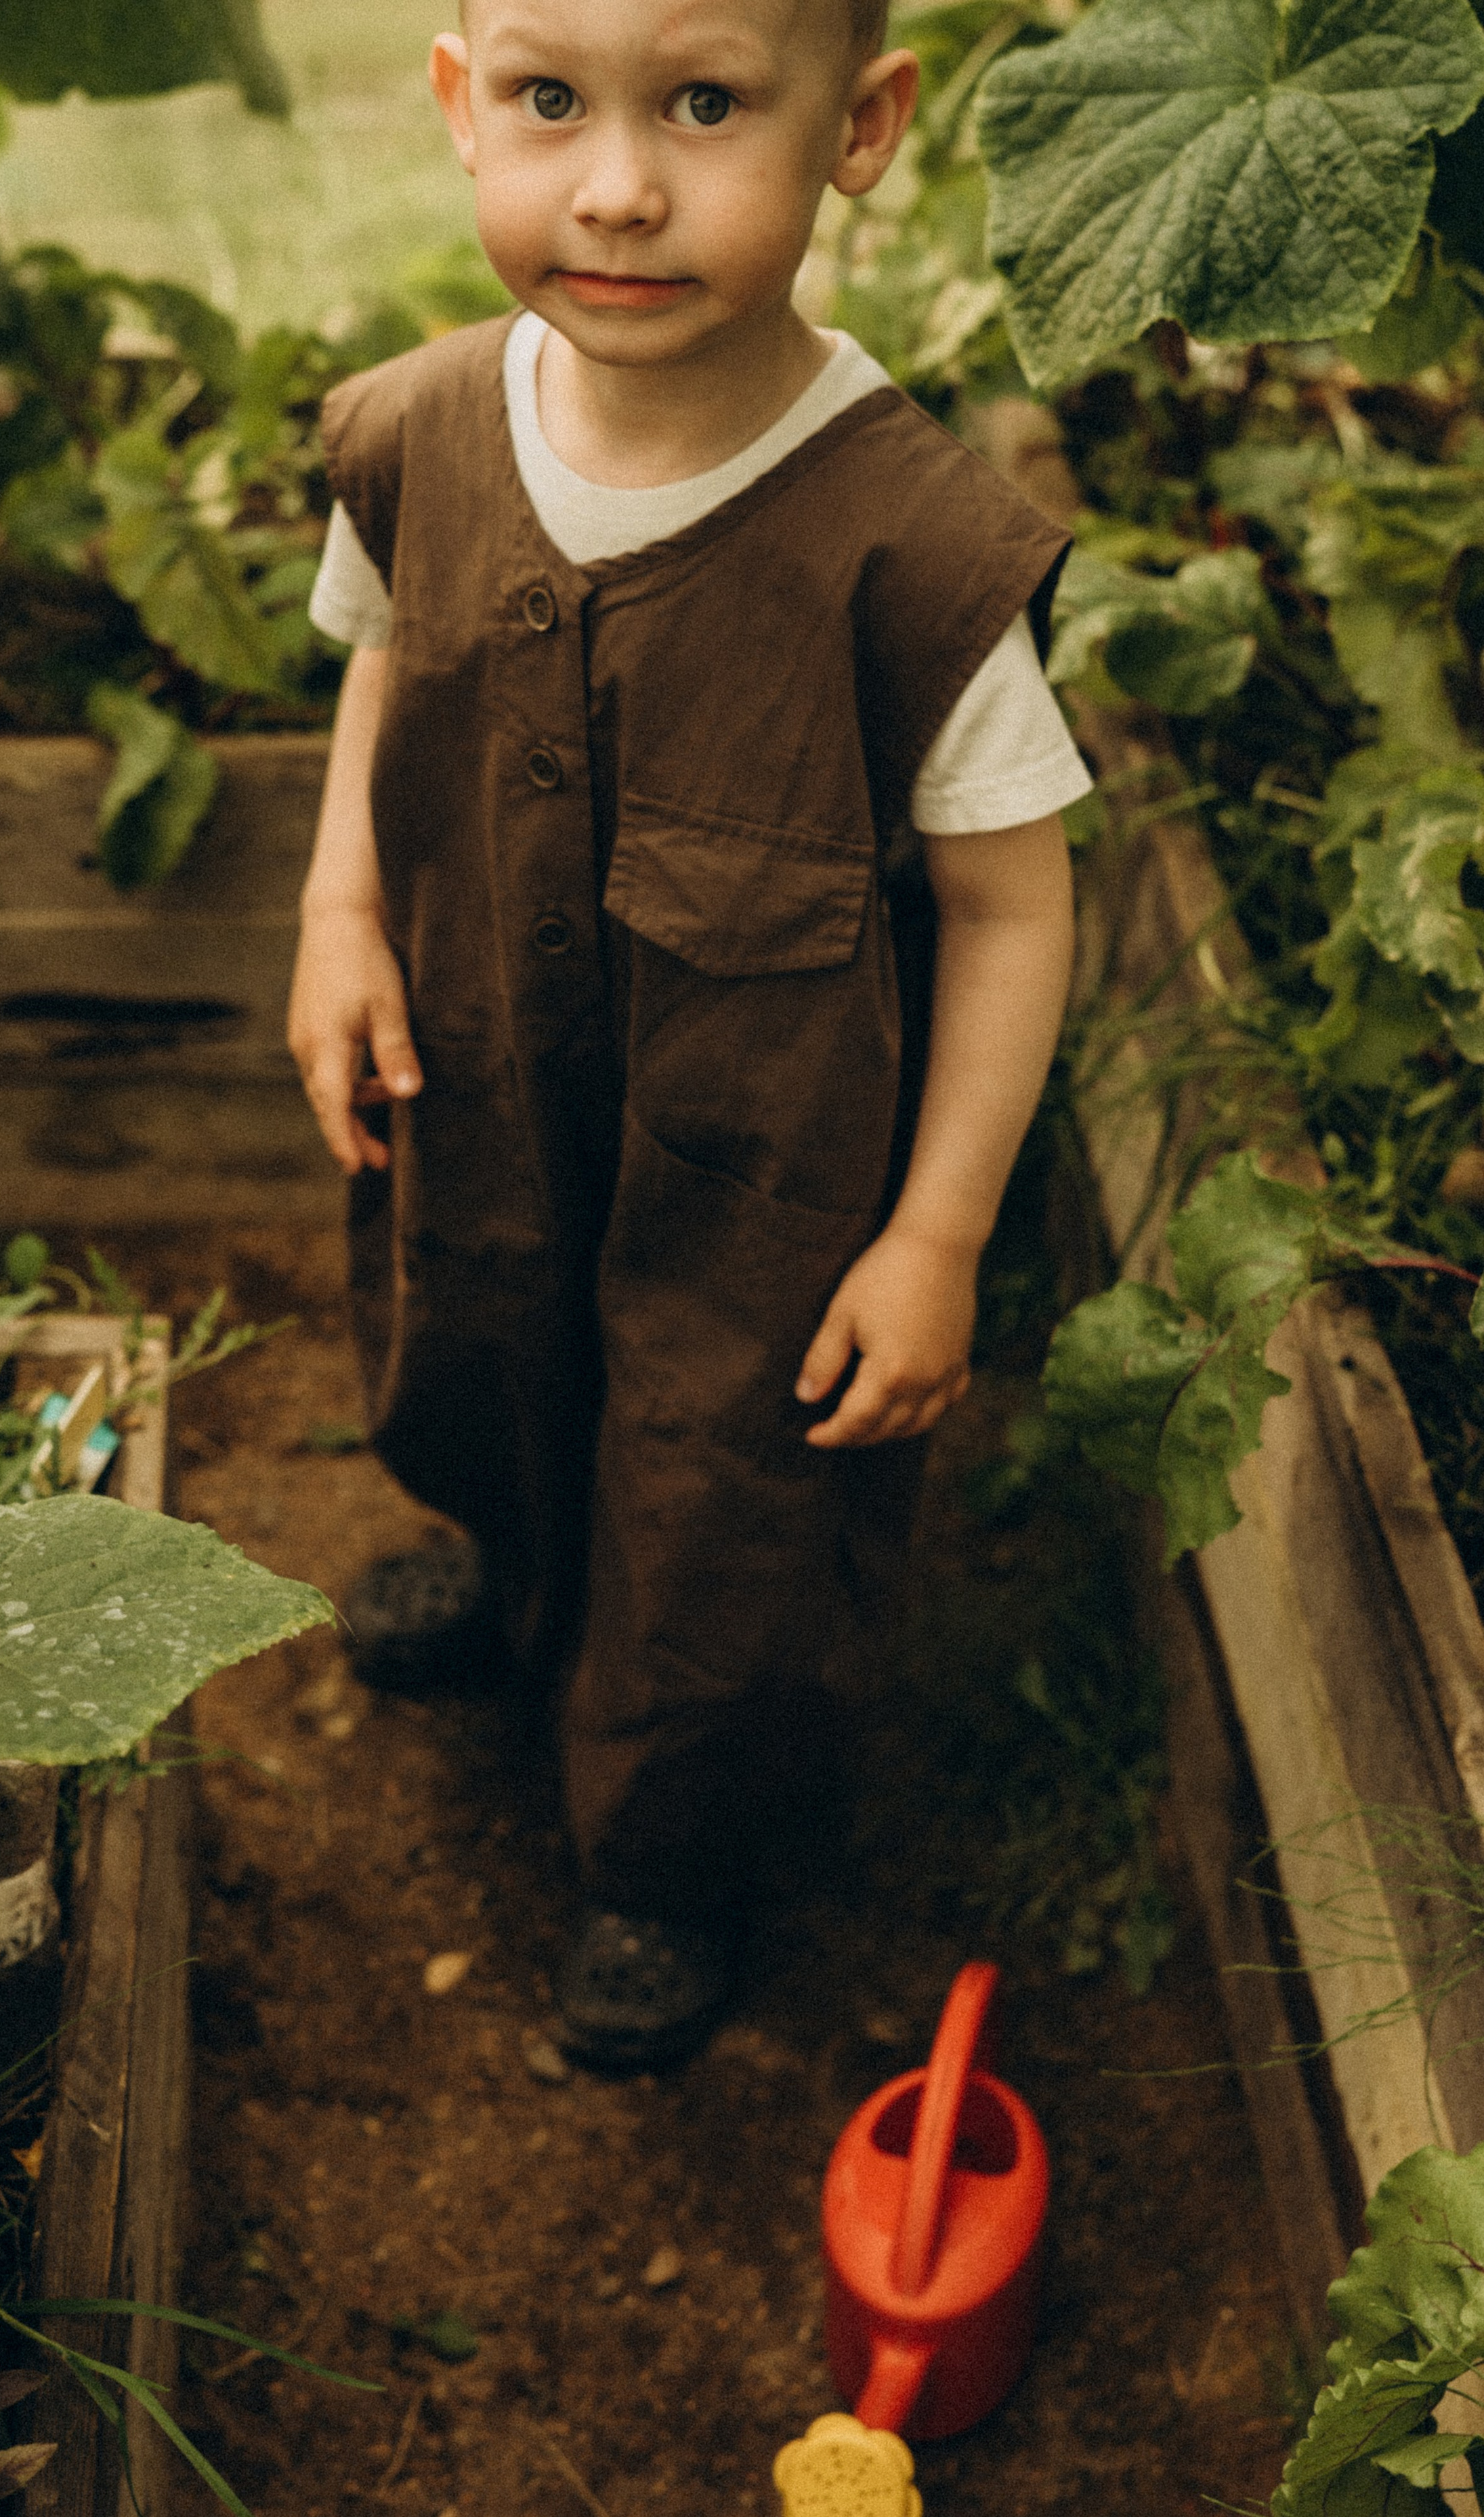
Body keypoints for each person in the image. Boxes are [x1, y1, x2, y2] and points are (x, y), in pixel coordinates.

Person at [288, 0, 1088, 2071]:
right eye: (553, 102)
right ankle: (502, 1557)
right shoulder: (424, 433)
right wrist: (343, 909)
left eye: (708, 105)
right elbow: (382, 665)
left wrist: (937, 1238)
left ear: (863, 127)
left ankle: (670, 1843)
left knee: (715, 1491)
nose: (622, 185)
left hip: (762, 1177)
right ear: (463, 106)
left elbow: (1013, 908)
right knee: (474, 1330)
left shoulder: (906, 547)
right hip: (479, 1079)